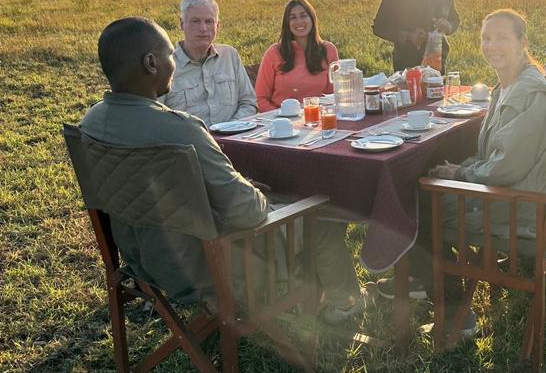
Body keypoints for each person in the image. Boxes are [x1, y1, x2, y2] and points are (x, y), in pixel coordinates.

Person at [80, 17, 364, 323]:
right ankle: (343, 303)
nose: (174, 63)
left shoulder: (91, 123)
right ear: (151, 63)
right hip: (209, 267)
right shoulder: (181, 130)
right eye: (170, 56)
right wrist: (252, 192)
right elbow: (249, 212)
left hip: (143, 262)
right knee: (320, 216)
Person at [378, 9, 546, 338]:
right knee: (425, 180)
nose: (491, 45)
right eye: (486, 37)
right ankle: (426, 278)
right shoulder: (512, 84)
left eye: (501, 37)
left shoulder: (529, 94)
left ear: (522, 42)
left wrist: (458, 173)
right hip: (529, 193)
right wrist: (459, 169)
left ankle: (453, 308)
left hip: (526, 208)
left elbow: (505, 168)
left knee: (411, 202)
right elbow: (497, 157)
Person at [161, 0, 257, 126]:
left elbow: (248, 103)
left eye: (209, 21)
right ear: (182, 24)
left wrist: (229, 129)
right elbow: (155, 115)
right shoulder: (165, 64)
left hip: (231, 139)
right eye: (195, 21)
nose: (203, 28)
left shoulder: (230, 56)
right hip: (187, 145)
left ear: (218, 26)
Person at [255, 0, 339, 112]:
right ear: (287, 23)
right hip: (281, 121)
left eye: (303, 16)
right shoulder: (274, 53)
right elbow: (260, 99)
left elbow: (333, 95)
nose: (299, 21)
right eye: (293, 17)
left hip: (316, 119)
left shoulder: (328, 50)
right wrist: (281, 117)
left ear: (312, 19)